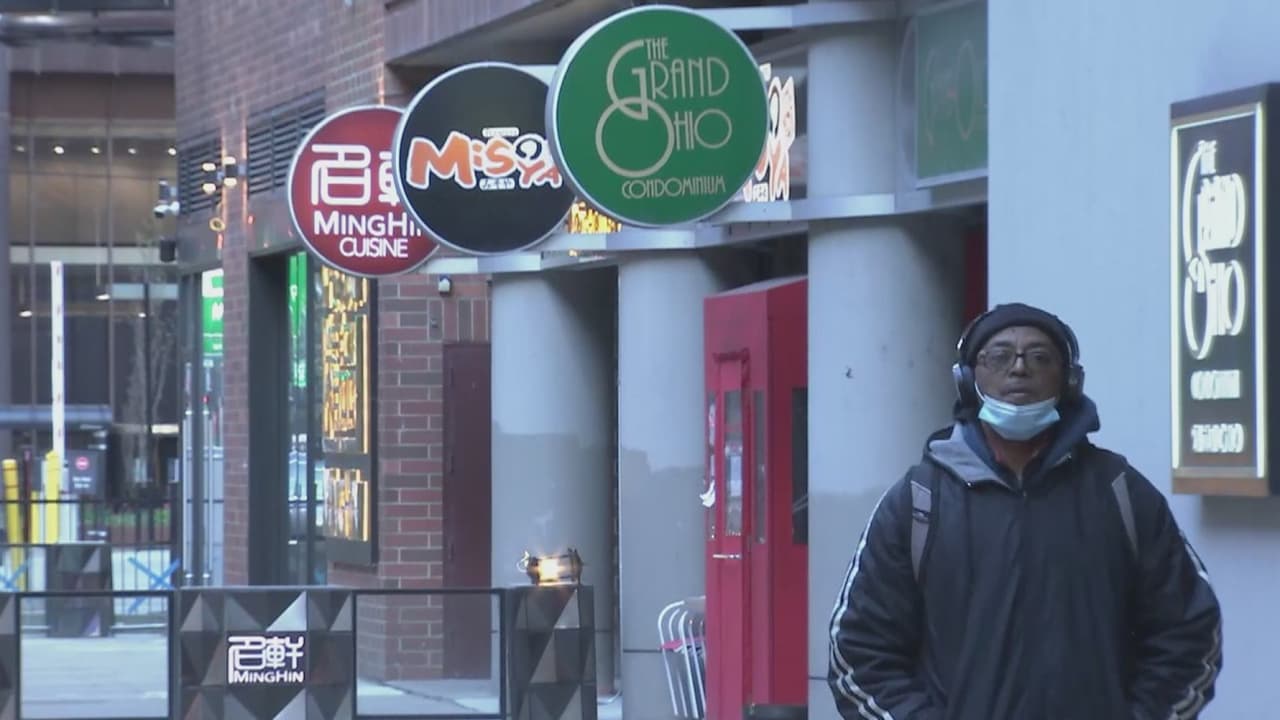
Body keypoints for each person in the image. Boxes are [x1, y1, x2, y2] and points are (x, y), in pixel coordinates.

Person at [827, 302, 1222, 720]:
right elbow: (858, 654)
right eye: (999, 356)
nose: (1019, 369)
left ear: (1069, 381)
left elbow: (1190, 635)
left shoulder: (1120, 492)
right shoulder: (919, 501)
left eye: (1039, 357)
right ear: (967, 379)